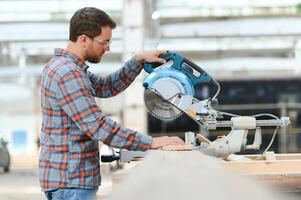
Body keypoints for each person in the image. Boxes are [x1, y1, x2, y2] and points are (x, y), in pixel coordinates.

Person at [39, 7, 185, 200]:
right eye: (104, 42)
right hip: (72, 180)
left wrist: (138, 60)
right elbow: (98, 126)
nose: (107, 48)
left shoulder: (66, 68)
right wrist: (152, 142)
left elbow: (106, 86)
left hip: (68, 179)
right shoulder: (69, 74)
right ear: (83, 40)